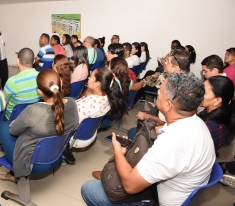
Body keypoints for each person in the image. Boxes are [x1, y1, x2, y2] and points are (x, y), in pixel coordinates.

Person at [82, 72, 216, 206]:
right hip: (175, 186)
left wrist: (118, 152)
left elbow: (130, 185)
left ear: (169, 105)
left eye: (161, 91)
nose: (157, 92)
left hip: (157, 199)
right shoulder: (197, 123)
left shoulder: (171, 143)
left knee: (89, 189)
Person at [0, 69, 79, 181]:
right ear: (59, 83)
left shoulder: (34, 110)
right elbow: (73, 125)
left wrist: (16, 124)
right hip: (56, 154)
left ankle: (16, 175)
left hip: (33, 162)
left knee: (3, 126)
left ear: (40, 91)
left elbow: (13, 132)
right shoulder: (72, 103)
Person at [68, 68, 127, 149]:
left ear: (97, 84)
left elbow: (70, 124)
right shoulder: (108, 99)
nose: (88, 78)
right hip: (90, 134)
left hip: (76, 138)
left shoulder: (87, 104)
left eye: (91, 76)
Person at [198, 76, 235, 151]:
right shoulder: (222, 111)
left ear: (217, 100)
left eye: (203, 91)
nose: (198, 92)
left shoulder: (210, 125)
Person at [3, 48, 41, 120]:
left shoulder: (12, 82)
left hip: (14, 119)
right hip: (34, 116)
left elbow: (4, 101)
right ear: (33, 61)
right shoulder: (41, 77)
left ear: (17, 61)